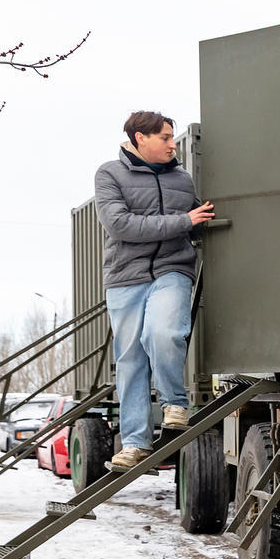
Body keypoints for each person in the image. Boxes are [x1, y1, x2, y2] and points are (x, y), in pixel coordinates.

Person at [94, 111, 216, 471]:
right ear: (139, 138)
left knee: (164, 333)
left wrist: (199, 221)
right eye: (164, 137)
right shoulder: (109, 174)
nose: (171, 144)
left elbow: (196, 220)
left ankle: (174, 403)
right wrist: (184, 222)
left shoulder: (182, 178)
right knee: (130, 359)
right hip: (125, 277)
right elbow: (120, 225)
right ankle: (134, 443)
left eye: (171, 137)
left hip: (172, 269)